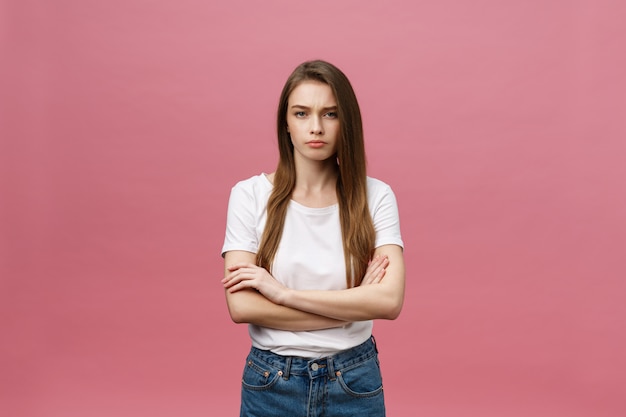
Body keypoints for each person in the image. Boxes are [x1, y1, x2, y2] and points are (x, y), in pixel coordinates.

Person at [221, 59, 405, 417]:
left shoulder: (376, 196)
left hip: (353, 380)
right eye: (302, 113)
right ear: (285, 123)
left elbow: (389, 302)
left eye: (330, 114)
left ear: (346, 123)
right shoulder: (249, 196)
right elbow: (242, 307)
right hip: (272, 383)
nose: (316, 127)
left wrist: (283, 294)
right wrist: (349, 308)